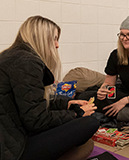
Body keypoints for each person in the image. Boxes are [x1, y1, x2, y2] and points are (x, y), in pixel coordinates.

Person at [0, 15, 99, 160]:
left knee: (86, 143)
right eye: (55, 38)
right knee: (90, 124)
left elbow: (31, 102)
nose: (57, 45)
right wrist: (77, 113)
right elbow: (37, 120)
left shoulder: (10, 56)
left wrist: (67, 104)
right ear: (41, 38)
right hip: (14, 149)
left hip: (12, 135)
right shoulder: (27, 62)